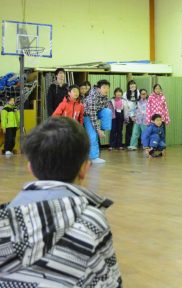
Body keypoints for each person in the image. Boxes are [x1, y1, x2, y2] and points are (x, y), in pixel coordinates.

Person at [0, 117, 122, 286]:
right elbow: (111, 281)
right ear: (85, 168)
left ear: (31, 168)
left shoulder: (5, 217)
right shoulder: (91, 219)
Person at [83, 79, 112, 164]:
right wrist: (97, 130)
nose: (106, 89)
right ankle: (93, 157)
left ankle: (103, 129)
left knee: (108, 111)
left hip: (97, 113)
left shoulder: (105, 96)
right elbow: (92, 116)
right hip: (88, 116)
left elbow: (105, 110)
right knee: (93, 135)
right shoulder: (93, 97)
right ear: (99, 89)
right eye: (104, 87)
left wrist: (101, 129)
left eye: (108, 88)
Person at [123, 80, 139, 148]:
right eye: (131, 84)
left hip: (137, 114)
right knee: (129, 129)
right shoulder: (125, 93)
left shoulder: (138, 92)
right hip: (128, 114)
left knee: (137, 130)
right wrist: (130, 115)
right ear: (129, 86)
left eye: (134, 84)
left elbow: (139, 102)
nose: (132, 85)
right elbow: (125, 104)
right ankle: (128, 144)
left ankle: (137, 144)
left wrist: (135, 114)